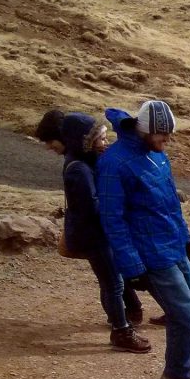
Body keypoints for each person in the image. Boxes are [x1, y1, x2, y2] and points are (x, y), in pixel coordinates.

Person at [97, 100, 190, 379]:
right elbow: (112, 220)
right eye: (162, 135)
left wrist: (186, 239)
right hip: (150, 252)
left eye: (169, 135)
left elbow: (171, 203)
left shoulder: (157, 155)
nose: (166, 141)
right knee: (183, 312)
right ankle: (176, 373)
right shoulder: (114, 163)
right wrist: (131, 267)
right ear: (146, 130)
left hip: (173, 245)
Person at [38, 108, 152, 327]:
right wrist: (118, 207)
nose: (105, 142)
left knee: (115, 276)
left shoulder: (87, 160)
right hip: (94, 235)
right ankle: (121, 328)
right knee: (112, 282)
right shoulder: (79, 168)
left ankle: (130, 313)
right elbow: (92, 206)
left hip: (98, 232)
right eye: (100, 138)